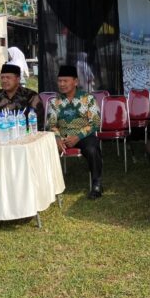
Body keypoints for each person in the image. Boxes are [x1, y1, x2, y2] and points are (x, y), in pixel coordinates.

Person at [47, 65, 103, 200]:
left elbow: (95, 122)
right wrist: (57, 138)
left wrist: (78, 137)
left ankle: (97, 183)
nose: (62, 84)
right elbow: (52, 124)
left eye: (65, 81)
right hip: (62, 137)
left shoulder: (87, 99)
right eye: (59, 81)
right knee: (44, 147)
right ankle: (48, 186)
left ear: (76, 82)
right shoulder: (55, 102)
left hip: (83, 136)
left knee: (92, 148)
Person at [0, 64, 44, 131]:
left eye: (8, 77)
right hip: (0, 137)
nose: (4, 80)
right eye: (2, 78)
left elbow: (37, 124)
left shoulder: (31, 96)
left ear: (18, 79)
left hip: (25, 138)